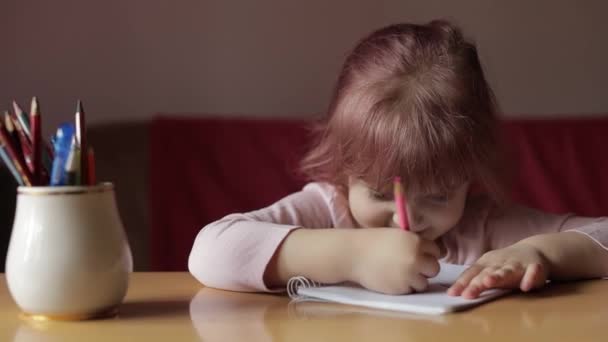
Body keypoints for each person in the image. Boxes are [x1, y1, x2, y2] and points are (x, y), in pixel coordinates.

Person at [189, 20, 608, 299]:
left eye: (440, 196)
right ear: (345, 165)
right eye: (377, 192)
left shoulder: (486, 227)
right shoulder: (326, 210)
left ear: (471, 176)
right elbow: (209, 252)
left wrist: (544, 253)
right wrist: (353, 255)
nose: (406, 220)